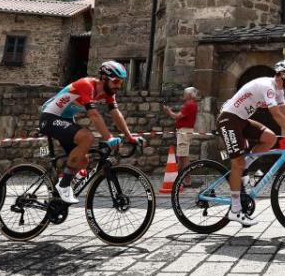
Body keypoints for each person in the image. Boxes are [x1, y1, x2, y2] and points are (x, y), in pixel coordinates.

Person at [217, 59, 285, 227]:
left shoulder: (279, 90)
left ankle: (245, 166)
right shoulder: (268, 87)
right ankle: (235, 210)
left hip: (241, 120)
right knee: (237, 162)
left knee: (270, 138)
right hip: (229, 119)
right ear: (282, 75)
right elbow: (276, 115)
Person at [39, 60, 146, 204]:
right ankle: (63, 185)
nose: (118, 86)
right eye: (116, 81)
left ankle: (58, 191)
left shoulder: (108, 92)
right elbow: (94, 115)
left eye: (121, 82)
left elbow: (115, 113)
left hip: (65, 120)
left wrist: (129, 136)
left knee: (83, 160)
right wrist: (108, 137)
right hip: (50, 118)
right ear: (104, 78)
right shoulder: (86, 85)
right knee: (86, 138)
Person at [163, 86, 198, 178]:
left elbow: (177, 116)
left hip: (184, 132)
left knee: (184, 157)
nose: (183, 95)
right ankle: (178, 178)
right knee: (181, 156)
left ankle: (186, 179)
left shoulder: (189, 105)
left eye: (185, 93)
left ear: (189, 95)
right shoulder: (191, 104)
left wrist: (169, 111)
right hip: (184, 131)